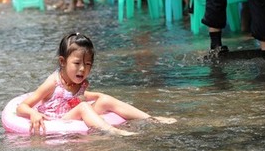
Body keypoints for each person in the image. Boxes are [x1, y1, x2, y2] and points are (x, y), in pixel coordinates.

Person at [16, 32, 176, 136]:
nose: (82, 69)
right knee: (84, 107)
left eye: (88, 64)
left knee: (105, 100)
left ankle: (151, 119)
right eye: (77, 63)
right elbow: (21, 107)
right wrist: (33, 114)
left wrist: (100, 96)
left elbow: (77, 96)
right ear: (62, 62)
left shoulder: (81, 82)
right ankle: (112, 131)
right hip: (55, 120)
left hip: (72, 114)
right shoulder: (53, 82)